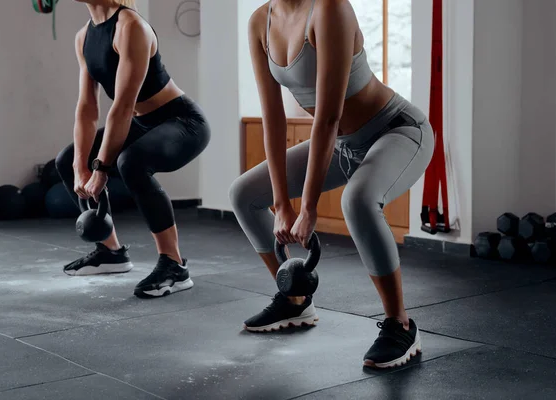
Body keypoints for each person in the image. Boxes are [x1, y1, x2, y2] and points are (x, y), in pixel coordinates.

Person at [229, 0, 434, 368]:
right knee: (244, 194)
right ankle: (293, 298)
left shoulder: (329, 8)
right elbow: (272, 117)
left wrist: (307, 208)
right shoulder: (260, 21)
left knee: (358, 201)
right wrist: (282, 204)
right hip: (344, 144)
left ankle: (400, 324)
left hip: (396, 130)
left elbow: (328, 116)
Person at [55, 0, 210, 299]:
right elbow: (87, 108)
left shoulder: (131, 27)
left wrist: (101, 169)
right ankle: (111, 251)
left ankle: (174, 265)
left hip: (182, 121)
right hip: (140, 121)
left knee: (131, 162)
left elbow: (123, 106)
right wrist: (80, 167)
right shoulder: (83, 36)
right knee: (66, 159)